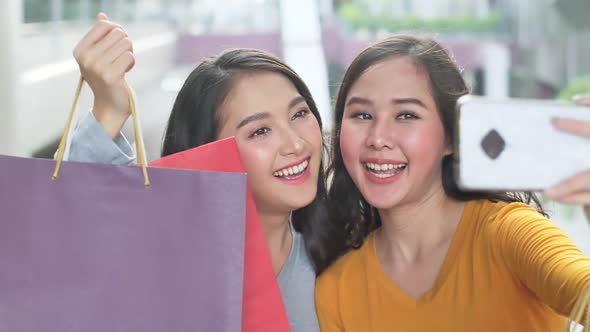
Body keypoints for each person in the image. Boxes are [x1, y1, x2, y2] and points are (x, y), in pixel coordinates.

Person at [67, 13, 345, 332]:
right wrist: (110, 108)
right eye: (260, 131)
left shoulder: (342, 263)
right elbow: (77, 223)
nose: (295, 144)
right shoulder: (162, 263)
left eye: (299, 113)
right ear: (207, 151)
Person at [315, 34, 590, 331]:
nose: (378, 138)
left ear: (451, 138)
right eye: (362, 114)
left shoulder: (510, 233)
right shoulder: (337, 289)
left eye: (406, 115)